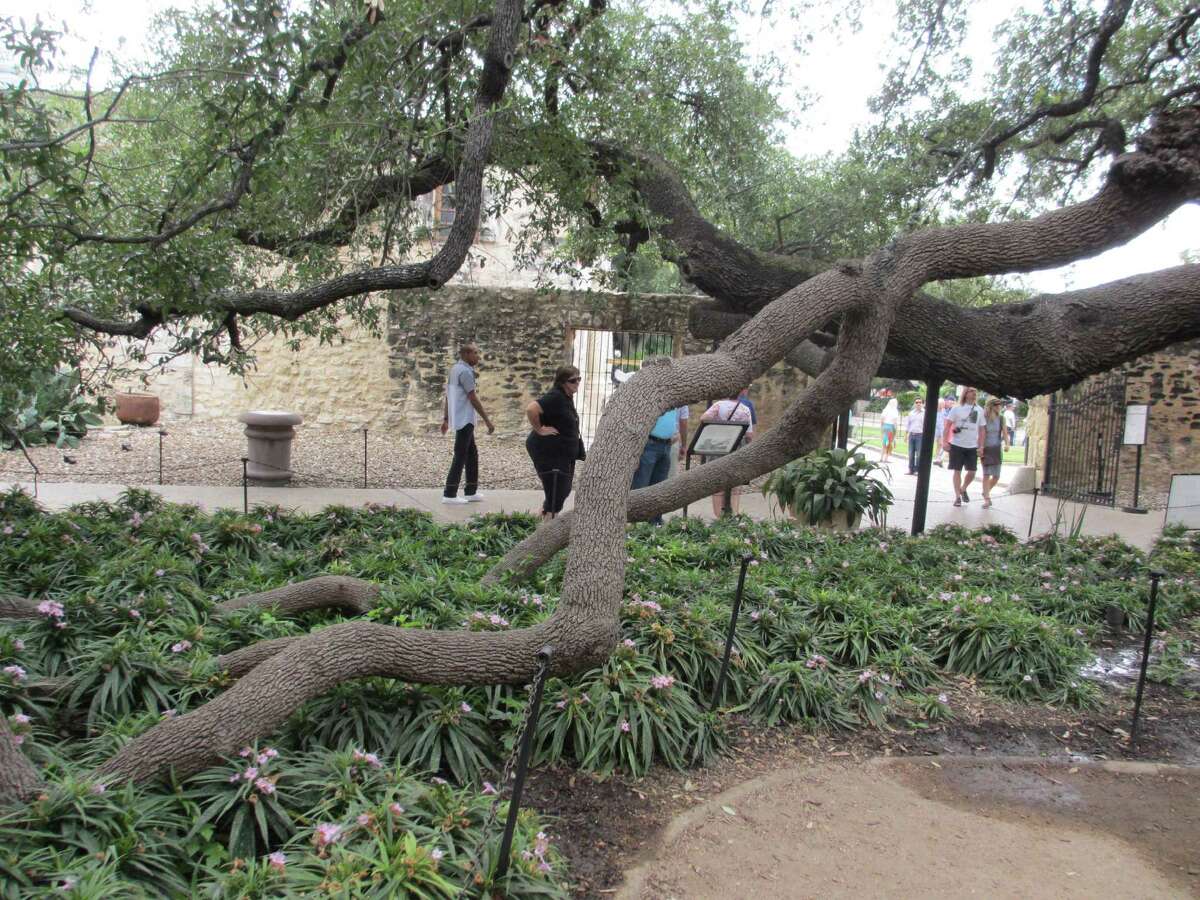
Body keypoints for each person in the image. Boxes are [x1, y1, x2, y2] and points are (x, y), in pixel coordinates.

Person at [525, 365, 585, 519]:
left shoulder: (566, 397)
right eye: (573, 380)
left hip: (562, 453)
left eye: (579, 379)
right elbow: (531, 409)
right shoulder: (556, 396)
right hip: (549, 452)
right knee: (557, 492)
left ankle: (542, 520)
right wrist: (540, 429)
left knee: (562, 490)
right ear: (562, 382)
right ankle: (547, 529)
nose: (577, 383)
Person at [441, 343, 494, 504]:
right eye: (475, 353)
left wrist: (446, 418)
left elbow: (448, 396)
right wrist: (487, 420)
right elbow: (473, 397)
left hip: (461, 418)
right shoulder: (465, 372)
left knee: (471, 454)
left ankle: (471, 491)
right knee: (460, 455)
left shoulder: (455, 369)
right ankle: (449, 494)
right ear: (466, 354)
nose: (478, 356)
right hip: (465, 419)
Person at [631, 401, 689, 526]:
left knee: (659, 484)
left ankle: (655, 520)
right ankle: (637, 523)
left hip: (666, 444)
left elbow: (680, 421)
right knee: (642, 484)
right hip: (649, 443)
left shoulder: (676, 398)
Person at [700, 392, 753, 516]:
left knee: (717, 482)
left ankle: (719, 516)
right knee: (735, 484)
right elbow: (750, 435)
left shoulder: (718, 405)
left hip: (719, 446)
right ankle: (733, 514)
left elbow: (703, 418)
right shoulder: (745, 409)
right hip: (738, 448)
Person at [943, 387, 985, 507]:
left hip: (972, 445)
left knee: (972, 471)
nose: (974, 394)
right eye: (972, 391)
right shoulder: (956, 408)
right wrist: (945, 442)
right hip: (957, 444)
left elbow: (982, 429)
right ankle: (957, 497)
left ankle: (963, 488)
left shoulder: (979, 410)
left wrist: (981, 446)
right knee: (957, 470)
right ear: (966, 394)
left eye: (975, 392)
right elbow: (947, 426)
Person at [981, 397, 1010, 508]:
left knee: (996, 476)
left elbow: (1005, 432)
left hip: (996, 448)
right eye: (997, 405)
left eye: (1000, 405)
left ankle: (986, 491)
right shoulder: (984, 417)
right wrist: (980, 447)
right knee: (986, 474)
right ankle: (987, 499)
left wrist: (1007, 444)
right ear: (992, 406)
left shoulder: (1001, 418)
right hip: (986, 448)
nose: (1000, 407)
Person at [903, 397, 925, 475]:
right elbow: (908, 425)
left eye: (920, 402)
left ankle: (917, 470)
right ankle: (910, 469)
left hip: (920, 436)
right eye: (916, 402)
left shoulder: (925, 413)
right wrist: (905, 435)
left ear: (923, 404)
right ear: (914, 404)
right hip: (912, 435)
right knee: (911, 453)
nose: (918, 404)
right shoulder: (911, 413)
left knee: (919, 454)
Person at [932, 395, 954, 467]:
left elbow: (945, 422)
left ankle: (939, 459)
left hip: (942, 431)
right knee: (936, 444)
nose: (942, 405)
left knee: (941, 444)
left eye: (942, 404)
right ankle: (937, 458)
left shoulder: (944, 412)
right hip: (935, 430)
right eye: (940, 404)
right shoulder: (934, 411)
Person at [880, 397, 900, 463]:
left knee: (883, 443)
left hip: (884, 426)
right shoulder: (895, 411)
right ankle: (886, 458)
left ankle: (881, 458)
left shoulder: (885, 410)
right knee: (889, 443)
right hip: (891, 427)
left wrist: (882, 428)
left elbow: (882, 420)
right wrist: (896, 431)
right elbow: (895, 422)